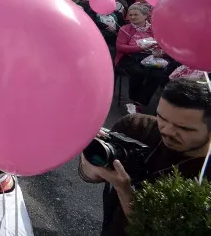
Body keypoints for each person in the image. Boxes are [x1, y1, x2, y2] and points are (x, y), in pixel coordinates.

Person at [78, 78, 211, 236]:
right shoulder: (135, 127)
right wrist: (93, 166)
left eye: (183, 128)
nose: (167, 130)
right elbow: (86, 174)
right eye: (162, 117)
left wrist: (125, 192)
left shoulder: (205, 174)